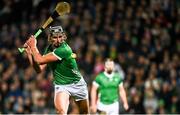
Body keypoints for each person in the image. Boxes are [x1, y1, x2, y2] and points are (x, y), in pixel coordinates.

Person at [24, 25, 89, 114]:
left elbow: (39, 60)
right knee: (60, 111)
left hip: (77, 84)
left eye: (60, 37)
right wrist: (29, 53)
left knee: (84, 113)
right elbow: (38, 69)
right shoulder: (49, 49)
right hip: (61, 85)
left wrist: (34, 46)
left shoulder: (65, 49)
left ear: (63, 37)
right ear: (50, 38)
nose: (58, 40)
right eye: (55, 37)